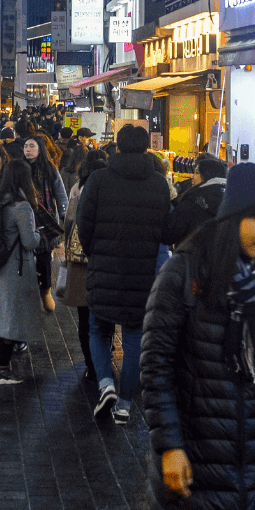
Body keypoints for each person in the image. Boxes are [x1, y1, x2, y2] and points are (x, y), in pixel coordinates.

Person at [141, 163, 255, 510]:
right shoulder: (185, 270)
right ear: (234, 216)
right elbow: (157, 363)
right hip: (199, 459)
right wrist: (170, 446)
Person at [77, 124, 175, 423]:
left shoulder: (98, 179)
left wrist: (96, 252)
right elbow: (167, 230)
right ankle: (125, 403)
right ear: (147, 148)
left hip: (104, 268)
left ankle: (105, 383)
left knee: (98, 328)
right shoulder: (159, 183)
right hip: (142, 271)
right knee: (134, 336)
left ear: (117, 147)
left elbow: (84, 223)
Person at [0, 160, 44, 386]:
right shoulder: (21, 206)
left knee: (1, 316)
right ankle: (1, 372)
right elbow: (29, 241)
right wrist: (40, 235)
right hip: (13, 270)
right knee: (11, 319)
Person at [62, 148, 110, 387]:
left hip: (81, 260)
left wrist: (65, 247)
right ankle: (104, 360)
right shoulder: (113, 186)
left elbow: (70, 221)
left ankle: (91, 365)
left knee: (84, 315)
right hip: (105, 259)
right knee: (104, 315)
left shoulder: (78, 188)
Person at [22, 134, 68, 311]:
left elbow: (60, 193)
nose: (28, 150)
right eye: (26, 146)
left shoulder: (49, 169)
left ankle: (46, 290)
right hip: (25, 217)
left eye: (32, 146)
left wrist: (64, 214)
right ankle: (27, 292)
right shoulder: (20, 168)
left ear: (40, 149)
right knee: (25, 256)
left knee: (43, 257)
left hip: (45, 217)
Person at [165, 156, 228, 248]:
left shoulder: (193, 199)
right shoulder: (231, 200)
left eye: (197, 173)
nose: (193, 177)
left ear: (207, 174)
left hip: (190, 258)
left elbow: (169, 234)